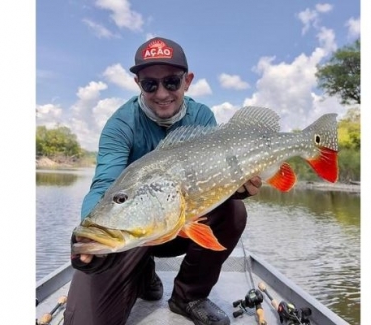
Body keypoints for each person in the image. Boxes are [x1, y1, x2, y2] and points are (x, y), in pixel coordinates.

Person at [62, 37, 263, 325]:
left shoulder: (201, 116)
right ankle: (143, 277)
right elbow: (104, 186)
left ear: (187, 81)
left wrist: (239, 189)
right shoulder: (121, 125)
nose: (161, 93)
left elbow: (214, 178)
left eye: (171, 82)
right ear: (138, 83)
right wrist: (86, 232)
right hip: (135, 233)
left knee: (233, 211)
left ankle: (188, 296)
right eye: (150, 84)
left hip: (182, 223)